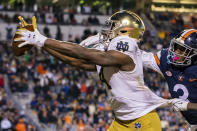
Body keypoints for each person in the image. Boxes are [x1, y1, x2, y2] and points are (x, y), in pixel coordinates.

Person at [14, 11, 187, 131]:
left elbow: (86, 53)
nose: (108, 31)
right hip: (121, 122)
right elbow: (75, 61)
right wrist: (39, 43)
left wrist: (43, 39)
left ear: (124, 30)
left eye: (113, 27)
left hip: (143, 123)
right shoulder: (111, 55)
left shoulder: (125, 48)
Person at [141, 29, 197, 130]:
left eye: (182, 50)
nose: (175, 52)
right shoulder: (167, 60)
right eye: (176, 47)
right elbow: (142, 58)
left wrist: (188, 106)